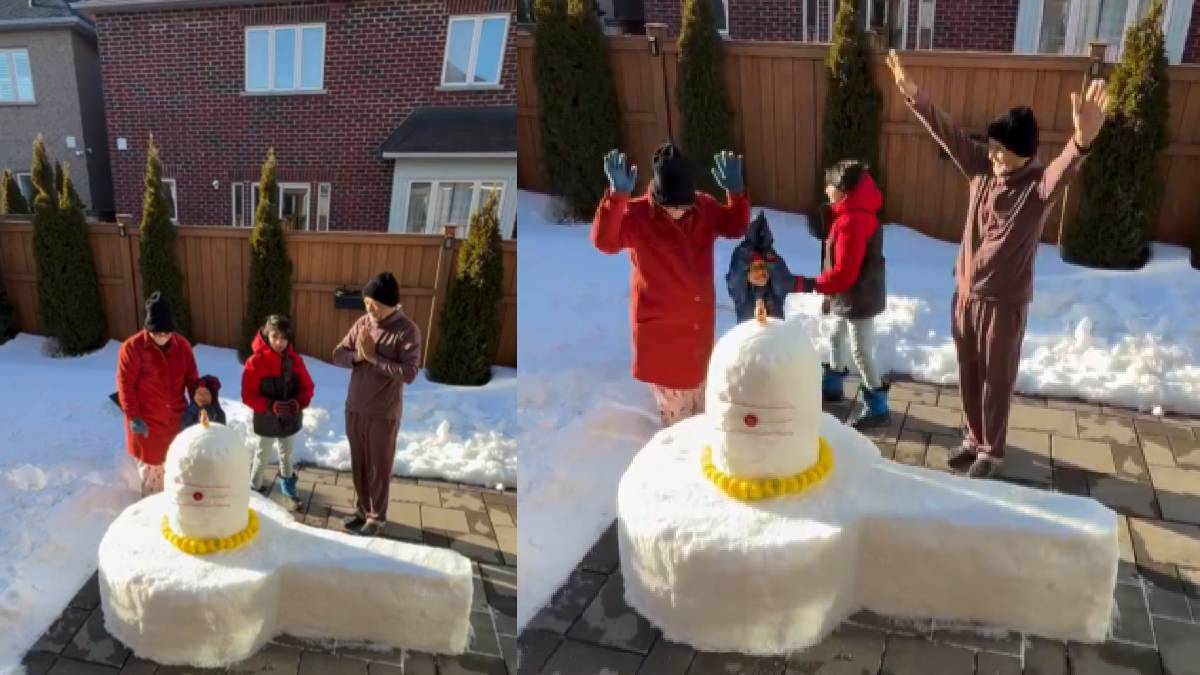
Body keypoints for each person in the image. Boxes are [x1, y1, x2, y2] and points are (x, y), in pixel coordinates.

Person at [888, 49, 1109, 478]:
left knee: (996, 378)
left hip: (1003, 303)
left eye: (999, 149)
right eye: (990, 147)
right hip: (966, 294)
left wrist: (1080, 142)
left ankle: (992, 449)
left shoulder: (1036, 189)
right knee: (968, 371)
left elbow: (1061, 172)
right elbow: (949, 135)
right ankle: (973, 438)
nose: (990, 154)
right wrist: (915, 96)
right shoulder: (982, 171)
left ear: (1021, 153)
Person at [592, 141, 750, 427]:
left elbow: (734, 226)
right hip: (662, 337)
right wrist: (617, 197)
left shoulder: (704, 208)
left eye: (683, 205)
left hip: (698, 331)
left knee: (706, 409)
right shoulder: (637, 215)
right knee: (680, 424)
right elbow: (605, 241)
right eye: (670, 206)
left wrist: (737, 195)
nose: (678, 211)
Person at [787, 159, 889, 429]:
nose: (825, 191)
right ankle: (832, 385)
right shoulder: (851, 215)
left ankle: (878, 405)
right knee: (835, 335)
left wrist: (808, 284)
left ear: (843, 189)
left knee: (860, 350)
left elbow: (844, 273)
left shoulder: (852, 222)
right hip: (849, 294)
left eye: (829, 186)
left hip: (859, 297)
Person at [332, 273, 421, 536]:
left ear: (391, 304)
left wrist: (373, 358)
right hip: (354, 407)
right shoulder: (363, 323)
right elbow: (337, 354)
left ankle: (377, 517)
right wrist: (359, 356)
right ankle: (362, 510)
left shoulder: (407, 330)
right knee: (359, 464)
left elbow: (409, 373)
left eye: (375, 305)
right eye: (366, 303)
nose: (369, 310)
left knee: (378, 467)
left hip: (383, 414)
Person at [117, 292, 198, 496]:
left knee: (177, 469)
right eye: (158, 333)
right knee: (153, 477)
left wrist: (199, 403)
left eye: (167, 333)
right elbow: (125, 386)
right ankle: (152, 509)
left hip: (176, 420)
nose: (163, 337)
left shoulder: (182, 347)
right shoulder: (132, 348)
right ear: (148, 328)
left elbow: (192, 379)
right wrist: (134, 417)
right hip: (147, 425)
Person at [242, 315, 314, 505]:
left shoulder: (295, 361)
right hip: (266, 418)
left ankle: (288, 487)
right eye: (275, 336)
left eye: (284, 338)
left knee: (287, 454)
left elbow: (308, 387)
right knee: (262, 453)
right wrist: (269, 406)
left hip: (289, 417)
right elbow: (248, 395)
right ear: (267, 335)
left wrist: (298, 403)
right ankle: (254, 487)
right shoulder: (255, 362)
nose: (279, 342)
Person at [727, 211, 794, 323]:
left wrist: (770, 256)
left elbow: (783, 280)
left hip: (775, 333)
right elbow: (735, 277)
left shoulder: (775, 292)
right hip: (750, 333)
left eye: (763, 267)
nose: (761, 272)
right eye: (755, 268)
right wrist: (748, 248)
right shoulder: (742, 295)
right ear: (746, 274)